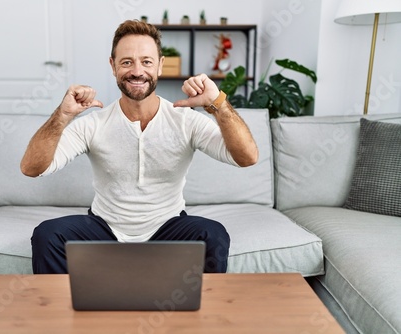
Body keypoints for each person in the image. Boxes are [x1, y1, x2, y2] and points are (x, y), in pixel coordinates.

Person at [21, 20, 258, 275]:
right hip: (104, 229)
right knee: (47, 235)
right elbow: (31, 168)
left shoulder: (185, 119)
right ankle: (64, 313)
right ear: (113, 66)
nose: (137, 71)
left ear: (159, 65)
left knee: (213, 234)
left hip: (168, 229)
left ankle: (197, 315)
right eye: (126, 62)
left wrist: (217, 104)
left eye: (146, 61)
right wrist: (62, 116)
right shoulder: (94, 123)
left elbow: (247, 157)